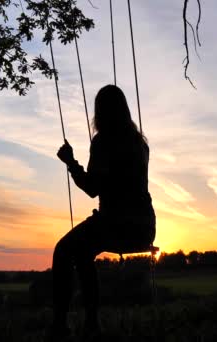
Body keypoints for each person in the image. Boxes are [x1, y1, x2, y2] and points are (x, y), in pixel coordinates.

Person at [50, 84, 156, 339]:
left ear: (100, 113)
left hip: (117, 224)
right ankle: (90, 324)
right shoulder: (140, 143)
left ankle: (62, 326)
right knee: (83, 252)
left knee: (63, 250)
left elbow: (92, 188)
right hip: (144, 227)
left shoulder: (104, 142)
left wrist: (71, 162)